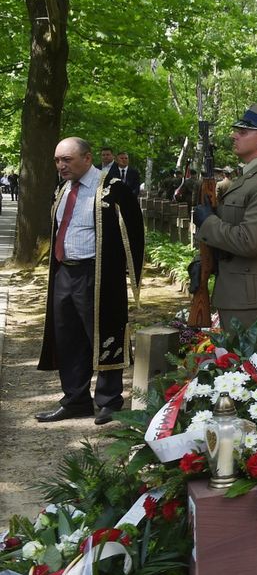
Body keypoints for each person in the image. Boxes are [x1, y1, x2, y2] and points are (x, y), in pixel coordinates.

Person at [36, 137, 144, 425]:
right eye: (57, 160)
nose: (61, 166)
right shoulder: (62, 188)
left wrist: (130, 275)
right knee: (68, 338)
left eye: (67, 160)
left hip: (97, 274)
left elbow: (133, 229)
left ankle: (109, 401)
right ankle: (75, 400)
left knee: (104, 333)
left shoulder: (112, 189)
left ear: (87, 158)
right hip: (64, 272)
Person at [192, 105, 257, 331]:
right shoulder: (248, 177)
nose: (234, 135)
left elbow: (249, 241)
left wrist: (208, 222)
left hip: (252, 298)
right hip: (237, 291)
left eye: (243, 132)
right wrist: (205, 262)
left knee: (249, 365)